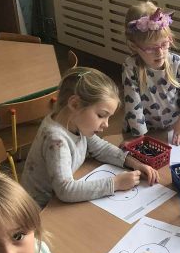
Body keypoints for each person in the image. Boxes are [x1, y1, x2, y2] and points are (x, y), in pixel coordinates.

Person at [21, 67, 159, 207]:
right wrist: (115, 183)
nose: (106, 124)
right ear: (75, 104)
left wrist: (134, 163)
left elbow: (101, 149)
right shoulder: (56, 140)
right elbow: (65, 190)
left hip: (58, 199)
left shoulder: (75, 122)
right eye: (101, 115)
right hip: (41, 208)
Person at [122, 0, 180, 145]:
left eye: (164, 44)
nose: (160, 52)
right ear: (134, 46)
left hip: (174, 127)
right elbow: (133, 104)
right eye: (151, 48)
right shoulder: (131, 67)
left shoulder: (178, 64)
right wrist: (140, 137)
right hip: (141, 130)